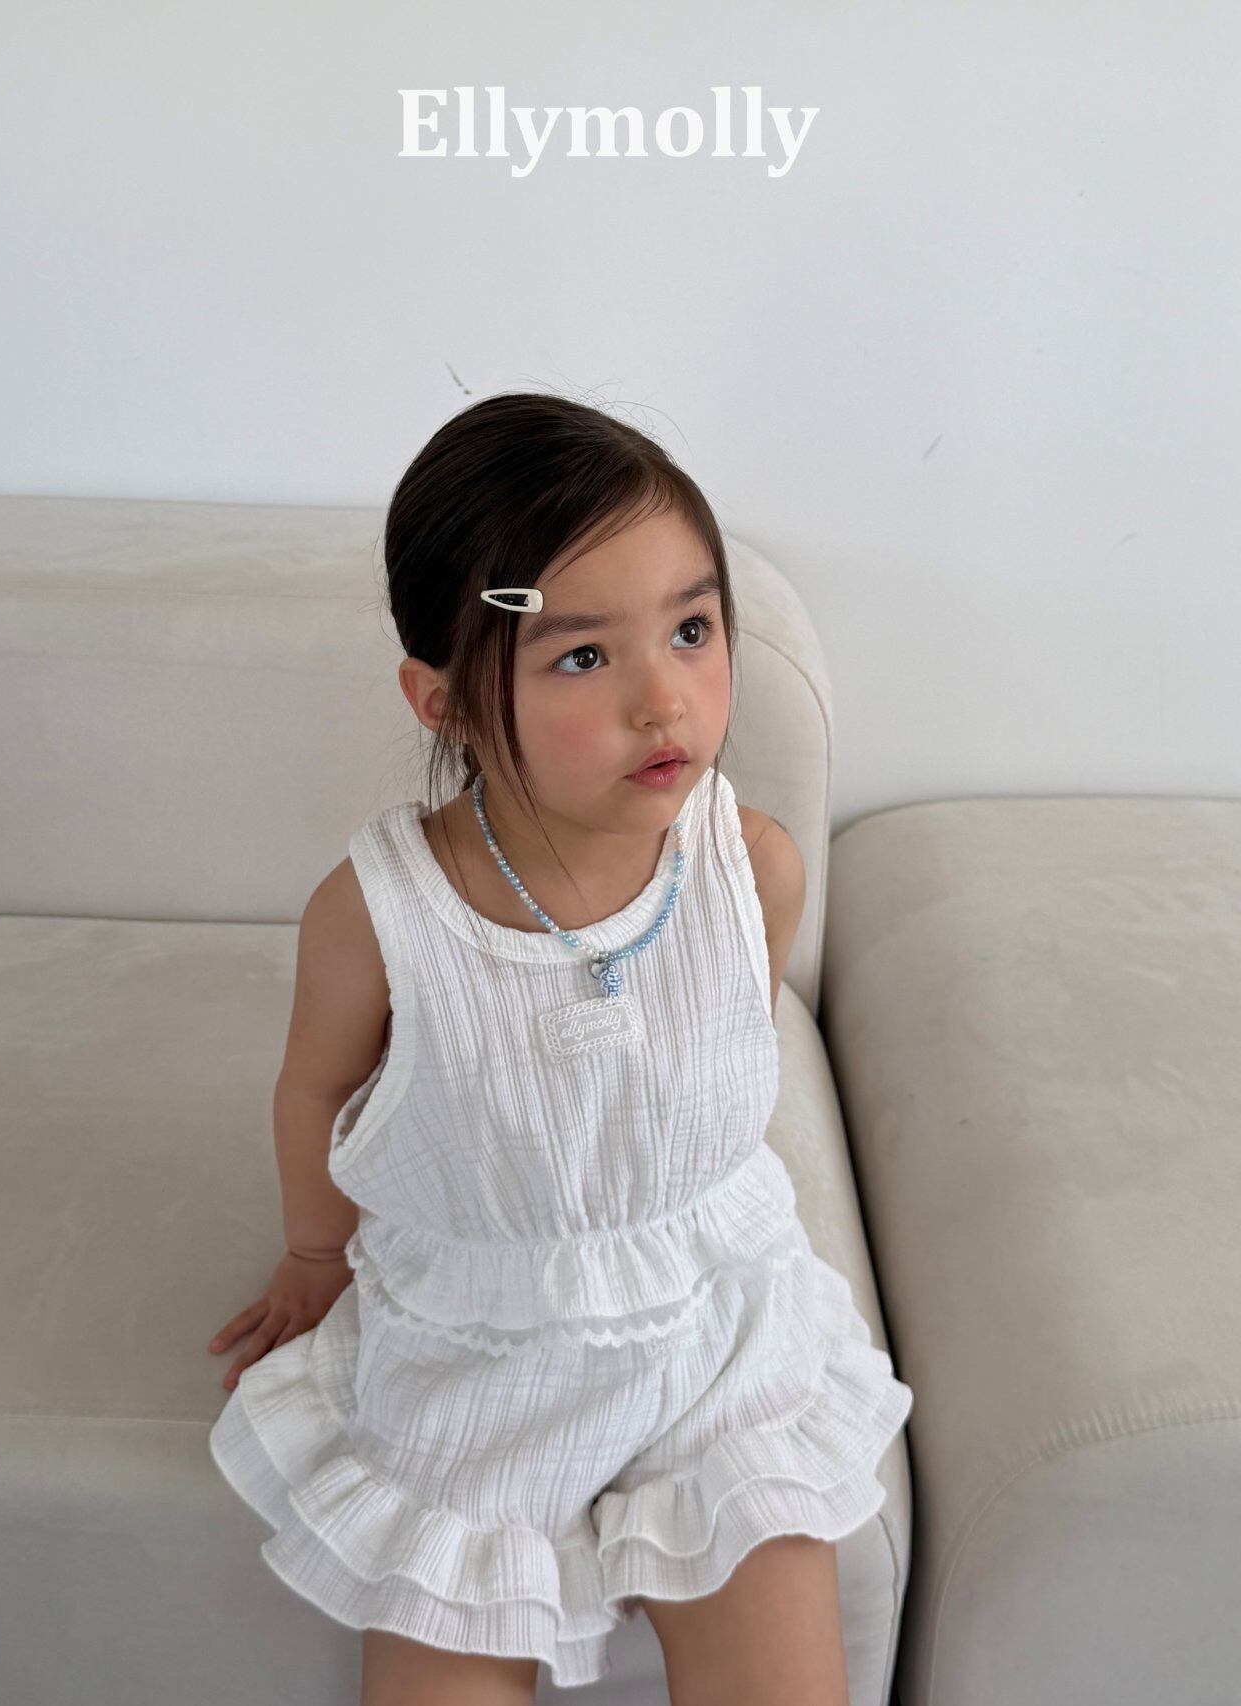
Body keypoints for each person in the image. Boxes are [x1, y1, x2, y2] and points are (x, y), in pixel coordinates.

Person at [205, 392, 913, 1703]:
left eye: (692, 630)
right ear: (446, 703)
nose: (665, 699)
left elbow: (701, 1066)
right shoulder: (380, 914)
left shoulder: (753, 868)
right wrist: (313, 1256)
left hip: (712, 1321)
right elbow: (316, 1084)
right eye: (583, 656)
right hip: (480, 1343)